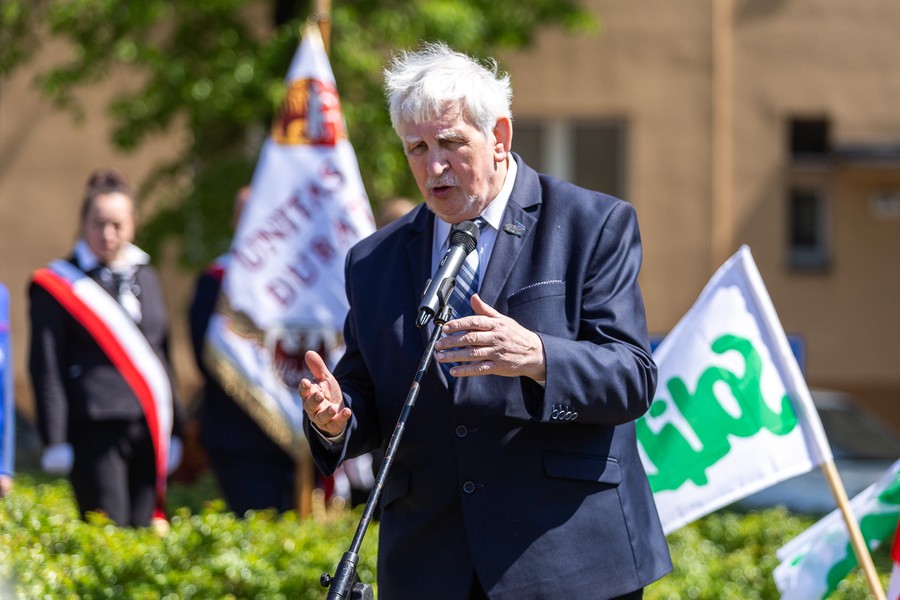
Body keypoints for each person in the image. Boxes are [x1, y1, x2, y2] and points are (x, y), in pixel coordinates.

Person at [299, 43, 672, 599]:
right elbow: (368, 394)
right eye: (417, 149)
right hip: (431, 563)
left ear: (500, 137)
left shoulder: (592, 225)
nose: (434, 166)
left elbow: (632, 377)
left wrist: (538, 356)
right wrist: (335, 418)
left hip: (565, 556)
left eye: (450, 143)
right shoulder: (373, 261)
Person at [28, 168, 182, 527]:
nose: (107, 234)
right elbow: (45, 366)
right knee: (108, 532)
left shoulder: (146, 274)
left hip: (148, 425)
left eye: (117, 224)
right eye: (98, 223)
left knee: (147, 534)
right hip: (94, 426)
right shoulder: (57, 283)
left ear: (133, 224)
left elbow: (162, 353)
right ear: (83, 223)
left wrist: (175, 429)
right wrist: (55, 438)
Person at [188, 186, 298, 515]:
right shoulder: (218, 279)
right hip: (238, 433)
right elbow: (202, 353)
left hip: (292, 437)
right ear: (235, 221)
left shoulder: (296, 279)